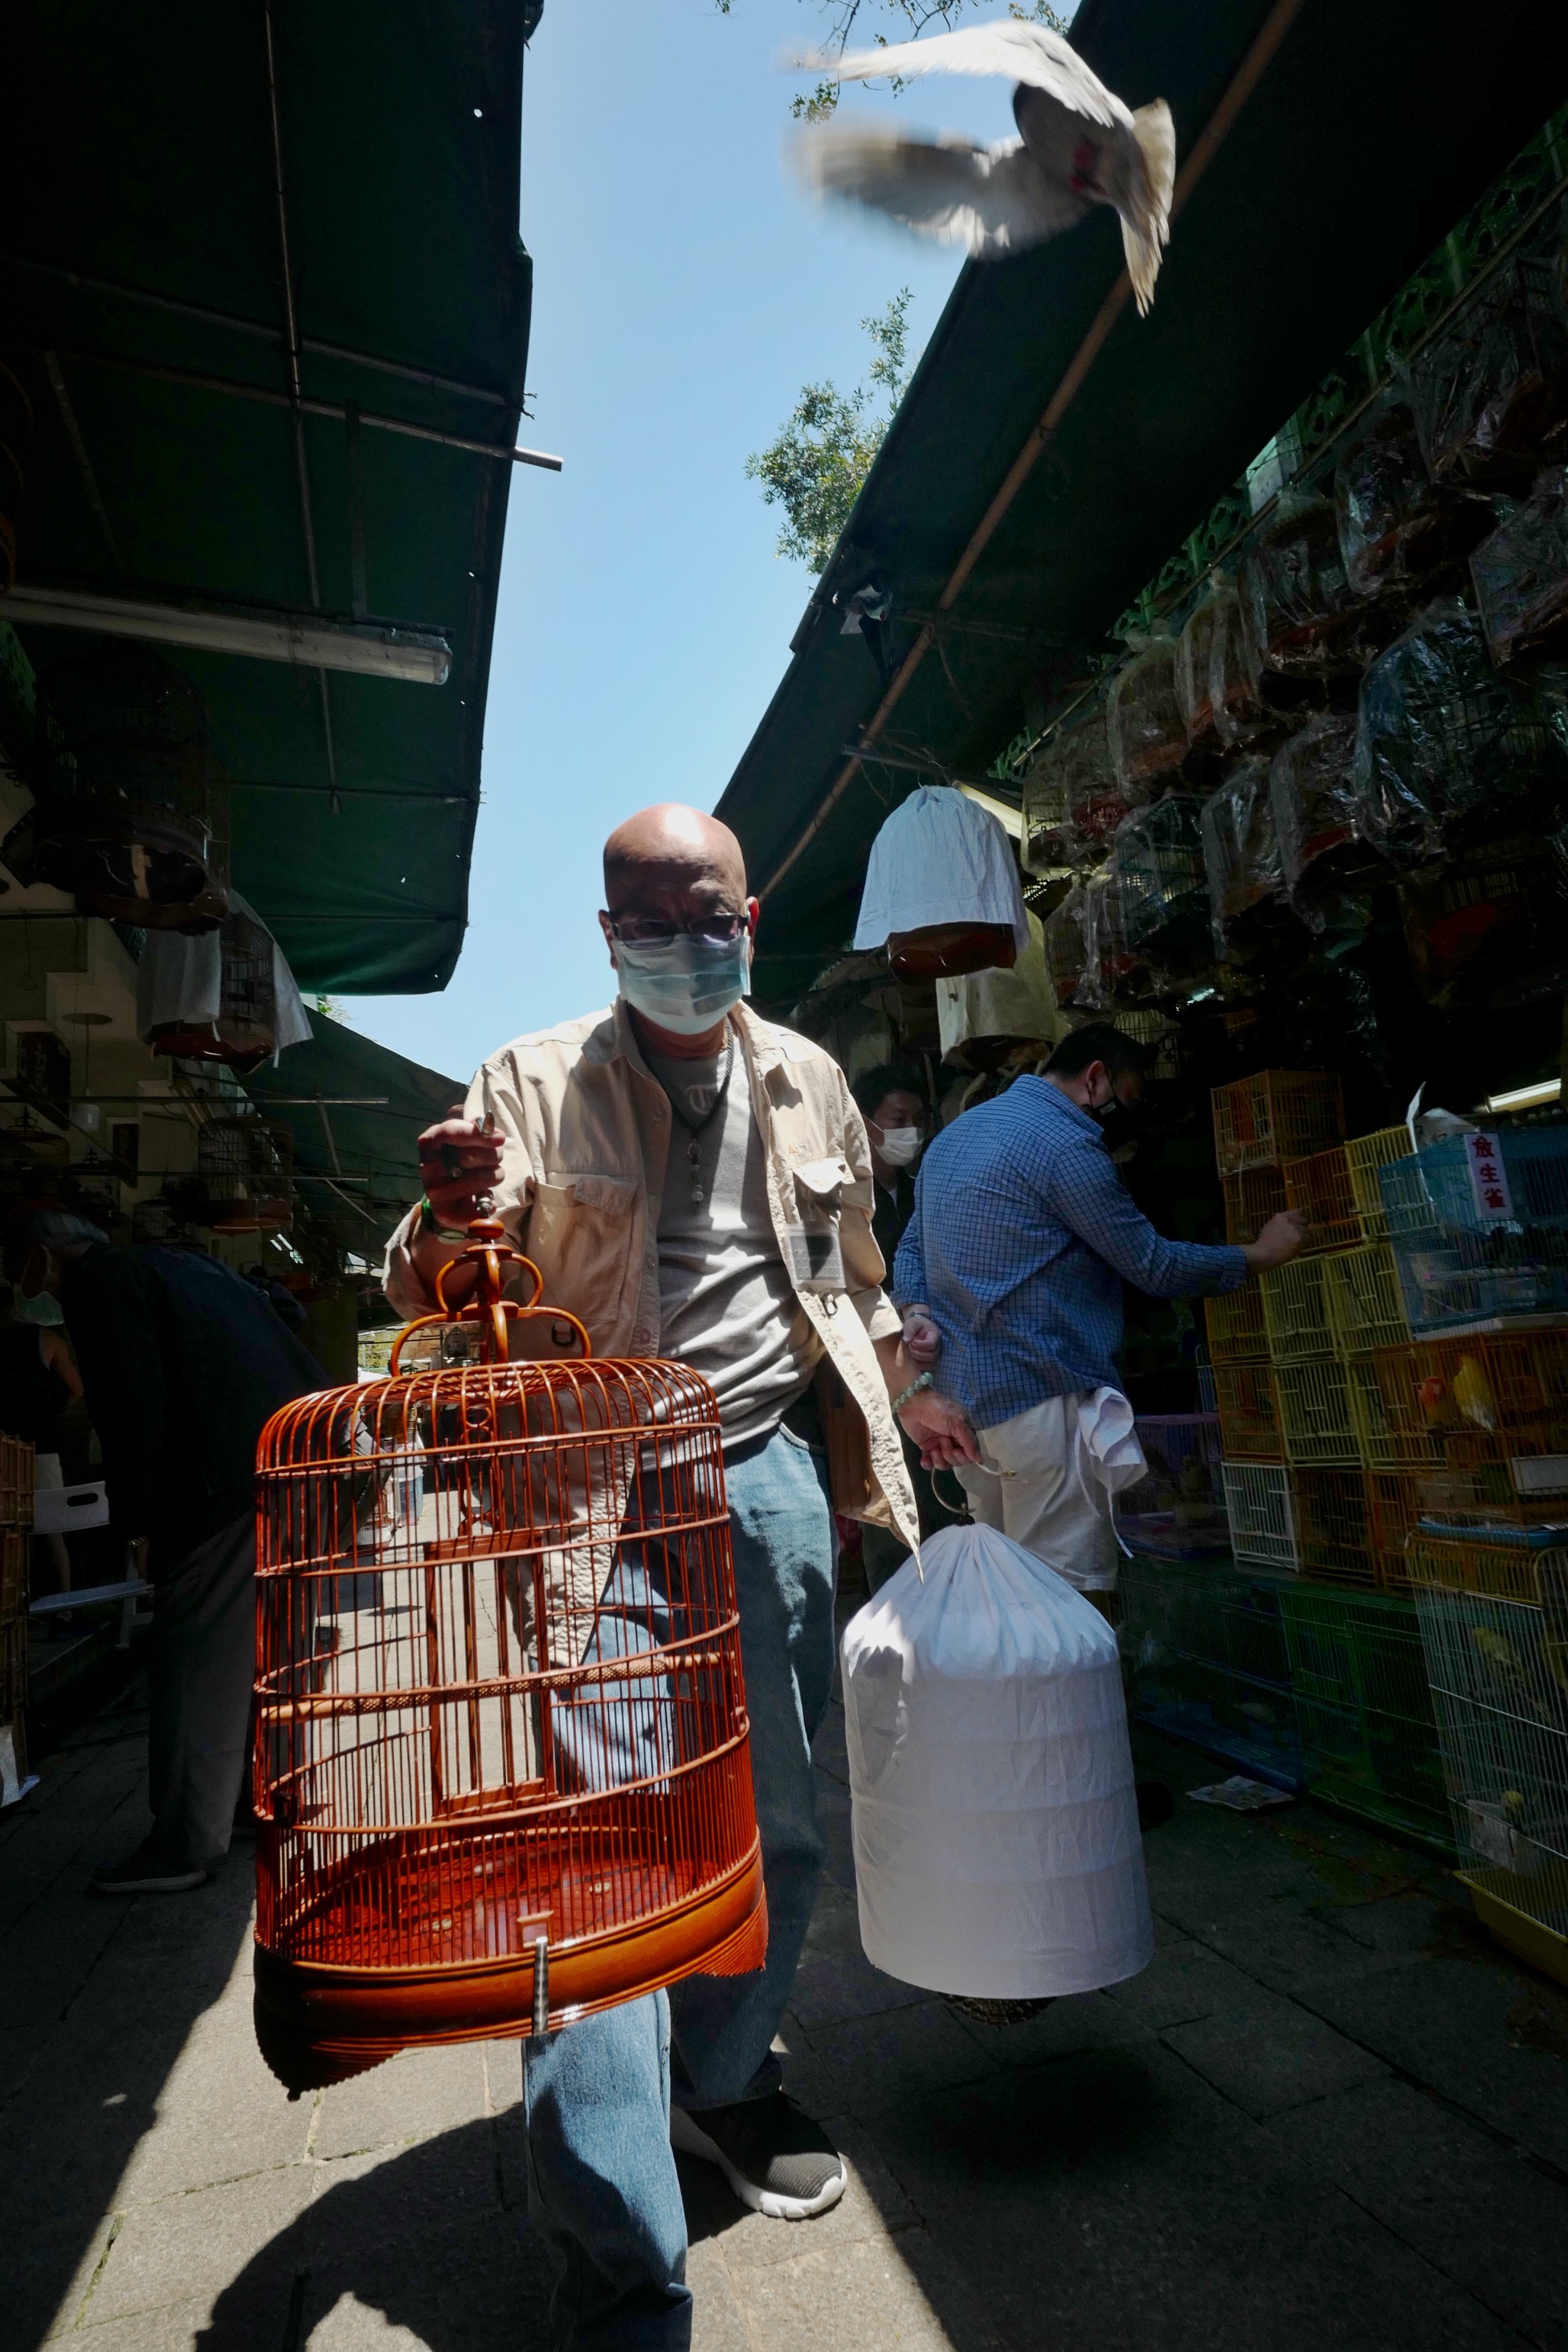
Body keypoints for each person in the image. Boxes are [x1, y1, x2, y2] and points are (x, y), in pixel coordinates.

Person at [383, 802, 921, 2350]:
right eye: (653, 920)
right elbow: (434, 1279)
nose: (688, 945)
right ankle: (624, 2273)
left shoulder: (807, 1072)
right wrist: (444, 1216)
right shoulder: (526, 1081)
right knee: (608, 1853)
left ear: (751, 919)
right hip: (587, 1484)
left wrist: (898, 1389)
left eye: (714, 917)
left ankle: (726, 2080)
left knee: (786, 1810)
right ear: (609, 932)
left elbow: (853, 1275)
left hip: (763, 1469)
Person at [891, 1023, 1305, 1597]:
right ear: (1094, 1078)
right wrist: (1260, 1254)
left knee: (1005, 1594)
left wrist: (915, 1308)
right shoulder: (1064, 1144)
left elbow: (911, 1247)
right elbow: (1152, 1265)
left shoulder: (956, 1138)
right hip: (1041, 1401)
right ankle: (1067, 1692)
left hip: (966, 1412)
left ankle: (1015, 1691)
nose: (1122, 1115)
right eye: (1127, 1098)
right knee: (1064, 1600)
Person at [18, 1212, 325, 1893]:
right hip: (299, 1453)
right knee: (271, 1645)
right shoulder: (189, 1267)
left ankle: (183, 1844)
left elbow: (133, 1408)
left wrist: (141, 1522)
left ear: (43, 1258)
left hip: (226, 1475)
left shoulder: (101, 1283)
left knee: (196, 1650)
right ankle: (262, 1801)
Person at [849, 1063, 962, 1590]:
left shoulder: (926, 1192)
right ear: (865, 1121)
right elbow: (833, 1292)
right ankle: (897, 1625)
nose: (910, 1132)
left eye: (918, 1119)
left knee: (950, 1499)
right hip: (871, 1376)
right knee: (893, 1510)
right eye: (899, 1118)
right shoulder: (840, 1199)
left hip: (937, 1364)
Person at [0, 1278, 83, 1605]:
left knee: (8, 1528)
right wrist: (52, 1412)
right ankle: (64, 1608)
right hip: (40, 1443)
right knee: (53, 1529)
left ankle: (12, 1605)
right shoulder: (46, 1338)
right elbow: (76, 1390)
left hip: (3, 1444)